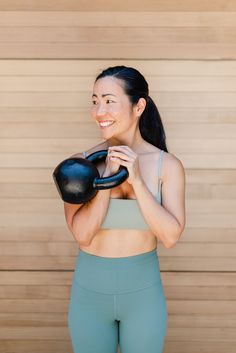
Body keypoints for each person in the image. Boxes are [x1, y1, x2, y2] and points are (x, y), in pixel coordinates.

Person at [64, 65, 186, 353]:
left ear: (138, 106)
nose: (98, 111)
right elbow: (82, 235)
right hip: (89, 297)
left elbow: (170, 237)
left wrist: (138, 182)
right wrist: (106, 179)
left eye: (108, 100)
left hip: (143, 296)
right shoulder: (79, 165)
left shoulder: (166, 166)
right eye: (94, 101)